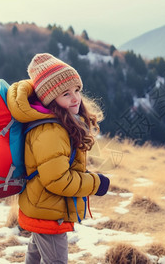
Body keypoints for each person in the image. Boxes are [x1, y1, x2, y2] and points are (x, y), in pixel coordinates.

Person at [7, 53, 110, 264]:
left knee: (36, 253)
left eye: (77, 90)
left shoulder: (60, 121)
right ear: (50, 99)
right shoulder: (51, 130)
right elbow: (57, 180)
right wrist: (96, 183)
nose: (75, 98)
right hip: (48, 211)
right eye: (66, 94)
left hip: (43, 205)